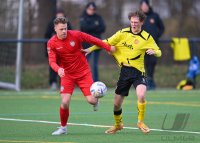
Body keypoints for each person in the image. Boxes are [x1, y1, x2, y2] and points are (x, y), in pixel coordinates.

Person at [85, 10, 162, 134]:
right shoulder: (122, 33)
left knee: (141, 95)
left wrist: (154, 52)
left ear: (142, 22)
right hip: (124, 72)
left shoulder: (147, 37)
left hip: (138, 72)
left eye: (136, 22)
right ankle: (118, 124)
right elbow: (104, 43)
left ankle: (140, 122)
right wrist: (90, 49)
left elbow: (159, 51)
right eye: (131, 22)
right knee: (116, 104)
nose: (133, 24)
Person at [47, 17, 115, 135]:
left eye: (65, 28)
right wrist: (58, 69)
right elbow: (52, 61)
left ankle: (96, 101)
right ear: (55, 29)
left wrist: (108, 48)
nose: (64, 31)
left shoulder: (76, 35)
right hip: (67, 75)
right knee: (64, 102)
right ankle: (63, 128)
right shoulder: (52, 43)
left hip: (83, 73)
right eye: (61, 29)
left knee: (92, 101)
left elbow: (94, 40)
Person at [44, 9, 72, 90]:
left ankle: (63, 84)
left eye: (61, 15)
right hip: (54, 50)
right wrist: (47, 51)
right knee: (53, 66)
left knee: (65, 67)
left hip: (64, 51)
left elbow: (71, 36)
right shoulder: (51, 24)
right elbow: (46, 36)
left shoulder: (67, 24)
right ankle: (53, 83)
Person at [140, 0, 165, 90]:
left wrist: (157, 35)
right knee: (146, 63)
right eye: (142, 5)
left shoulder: (155, 16)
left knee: (153, 62)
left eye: (145, 5)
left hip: (154, 45)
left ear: (148, 6)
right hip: (143, 45)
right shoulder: (140, 17)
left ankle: (150, 80)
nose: (144, 7)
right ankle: (149, 81)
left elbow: (162, 28)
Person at [80, 2, 106, 81]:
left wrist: (90, 28)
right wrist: (95, 26)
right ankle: (85, 81)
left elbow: (103, 28)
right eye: (90, 9)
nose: (91, 11)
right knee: (85, 64)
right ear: (86, 9)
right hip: (86, 45)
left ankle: (95, 81)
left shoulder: (98, 17)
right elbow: (84, 28)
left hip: (96, 44)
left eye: (93, 9)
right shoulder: (83, 17)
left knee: (94, 65)